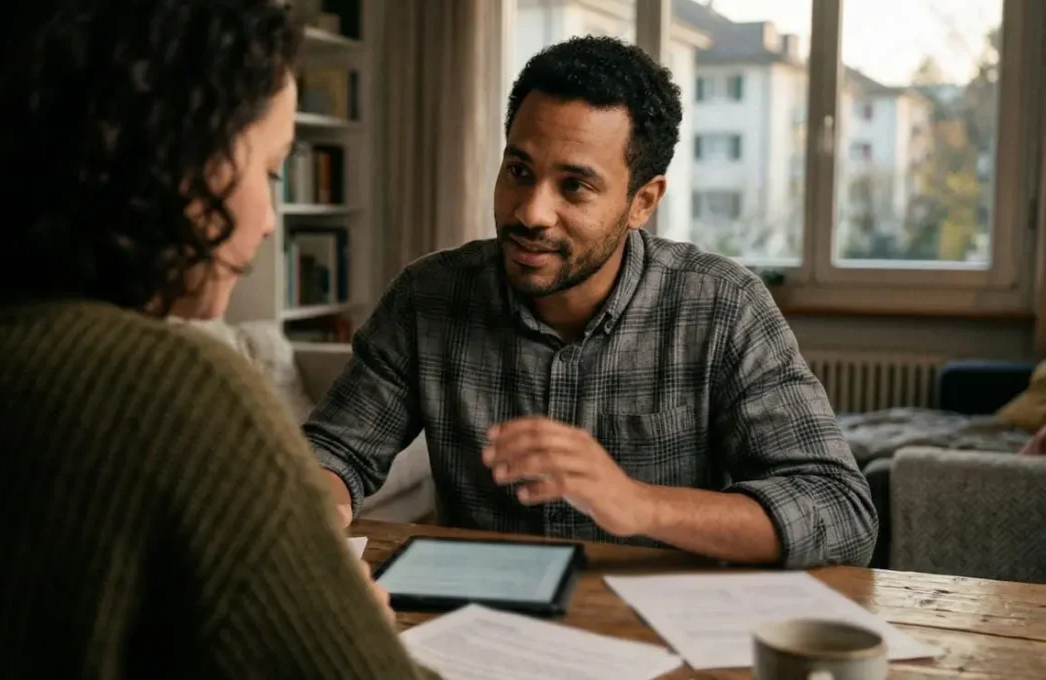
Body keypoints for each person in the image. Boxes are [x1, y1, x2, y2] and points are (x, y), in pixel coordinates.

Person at [0, 1, 433, 677]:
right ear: (172, 159)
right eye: (270, 169)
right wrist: (363, 632)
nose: (272, 220)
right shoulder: (184, 395)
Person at [306, 36, 878, 569]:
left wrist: (639, 505)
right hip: (478, 630)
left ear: (642, 202)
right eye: (518, 171)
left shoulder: (722, 306)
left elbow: (840, 510)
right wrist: (317, 505)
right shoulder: (427, 297)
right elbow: (333, 452)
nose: (531, 212)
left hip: (657, 633)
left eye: (574, 186)